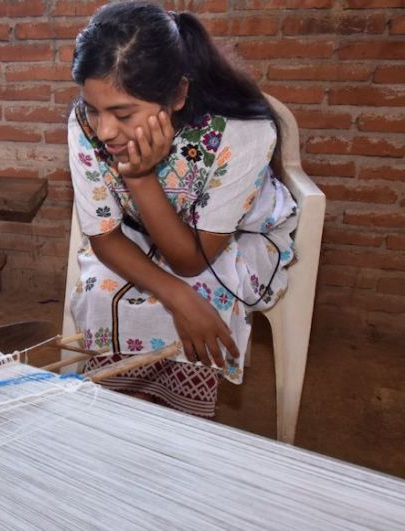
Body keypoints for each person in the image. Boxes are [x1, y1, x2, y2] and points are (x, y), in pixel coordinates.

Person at [67, 3, 298, 417]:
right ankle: (125, 411)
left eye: (122, 114)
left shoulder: (240, 134)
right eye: (93, 108)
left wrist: (140, 178)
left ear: (178, 95)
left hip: (225, 241)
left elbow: (191, 261)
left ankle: (178, 420)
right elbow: (104, 237)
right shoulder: (85, 123)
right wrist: (176, 297)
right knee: (104, 291)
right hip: (140, 227)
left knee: (207, 294)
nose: (103, 130)